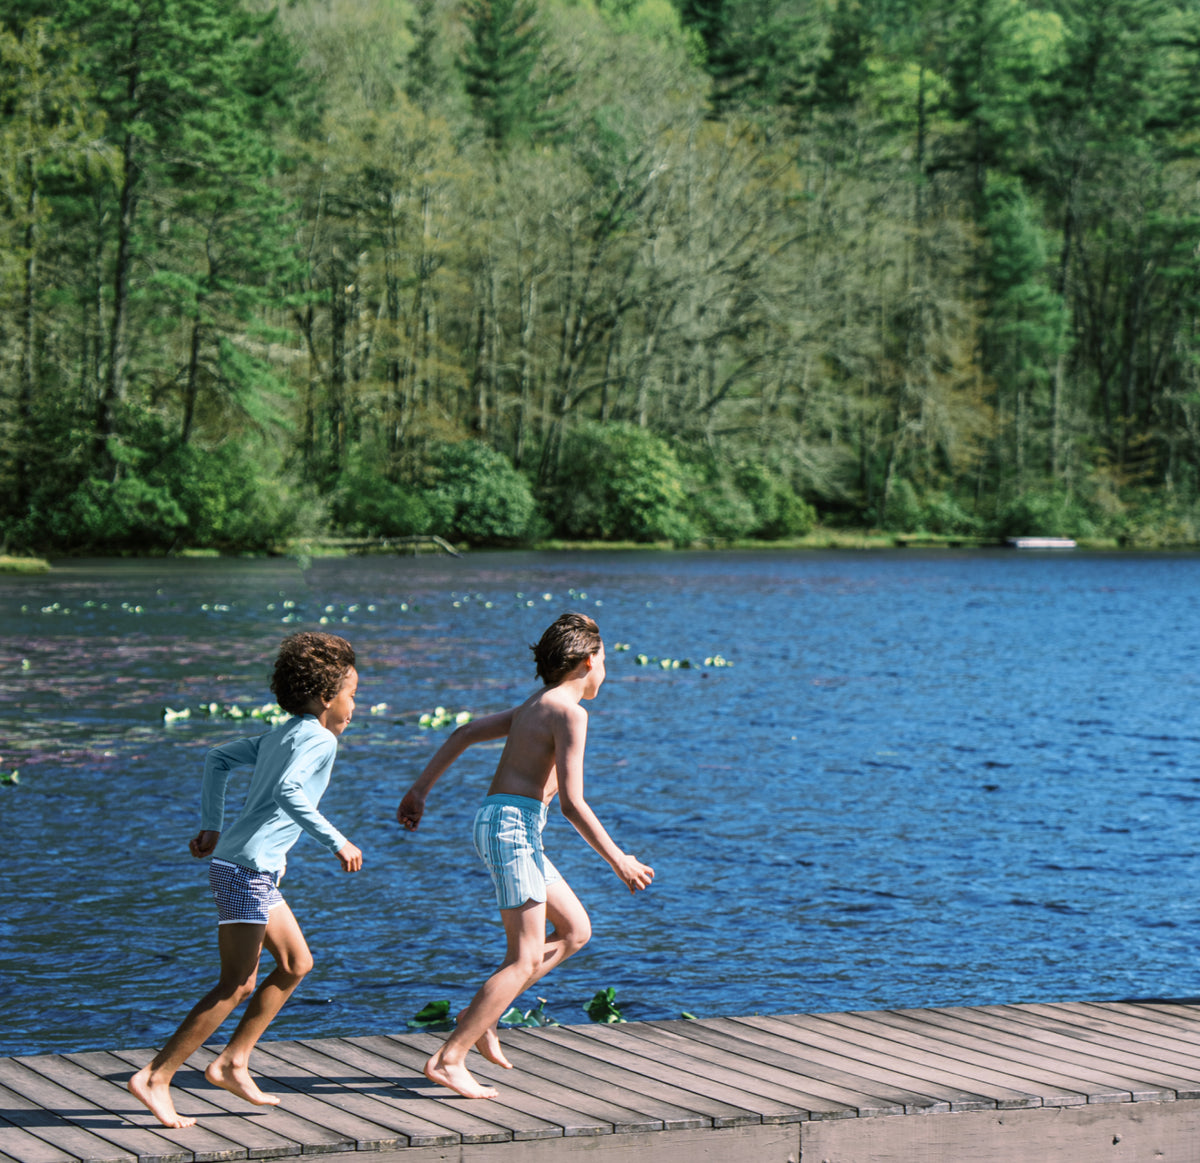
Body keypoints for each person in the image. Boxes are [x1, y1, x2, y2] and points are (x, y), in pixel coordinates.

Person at [397, 612, 654, 1100]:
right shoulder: (569, 712)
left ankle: (485, 1016)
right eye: (605, 661)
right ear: (586, 661)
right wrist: (618, 858)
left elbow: (465, 732)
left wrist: (419, 790)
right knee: (525, 957)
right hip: (511, 829)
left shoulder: (536, 702)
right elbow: (575, 804)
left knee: (576, 930)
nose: (607, 672)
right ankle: (449, 1058)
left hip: (509, 826)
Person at [128, 631, 363, 1129]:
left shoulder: (282, 733)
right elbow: (287, 790)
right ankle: (155, 1076)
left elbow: (218, 758)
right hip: (247, 870)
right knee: (236, 984)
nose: (353, 707)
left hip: (248, 866)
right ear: (326, 698)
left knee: (297, 963)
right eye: (352, 695)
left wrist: (212, 824)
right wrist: (336, 841)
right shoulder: (318, 738)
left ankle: (232, 1062)